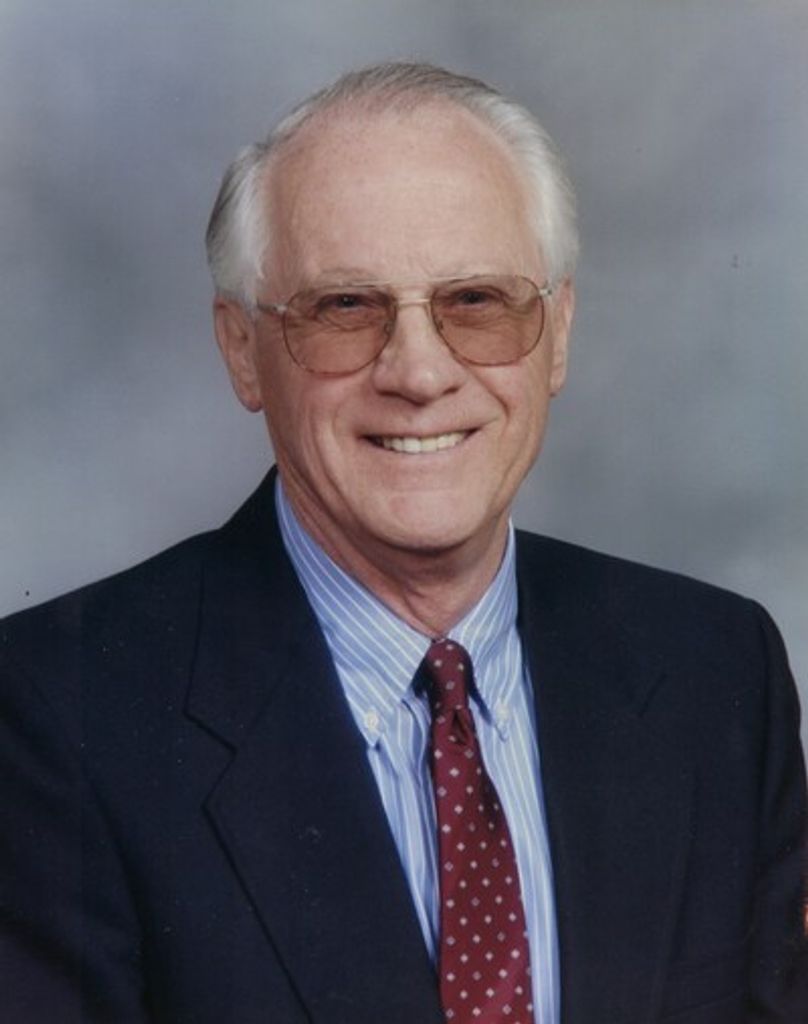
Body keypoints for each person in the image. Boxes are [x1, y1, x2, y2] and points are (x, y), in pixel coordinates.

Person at [1, 61, 806, 1024]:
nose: (419, 374)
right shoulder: (56, 714)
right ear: (242, 350)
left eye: (476, 301)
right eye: (345, 308)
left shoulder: (717, 673)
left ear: (556, 334)